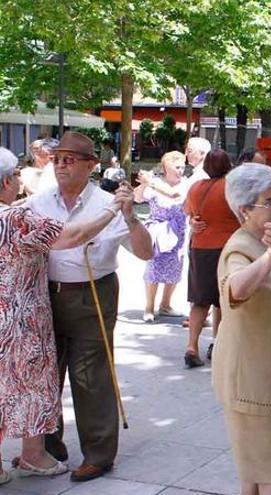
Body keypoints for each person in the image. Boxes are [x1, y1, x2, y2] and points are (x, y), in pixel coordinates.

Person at [0, 147, 137, 484]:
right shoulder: (18, 215)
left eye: (68, 160)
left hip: (30, 309)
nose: (21, 178)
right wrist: (112, 211)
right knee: (30, 383)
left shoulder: (17, 212)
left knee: (14, 386)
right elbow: (71, 236)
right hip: (24, 314)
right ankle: (37, 452)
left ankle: (59, 452)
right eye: (16, 174)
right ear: (5, 182)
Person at [27, 132, 153, 482]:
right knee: (45, 373)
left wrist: (131, 218)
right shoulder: (39, 201)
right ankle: (47, 445)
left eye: (70, 159)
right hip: (45, 292)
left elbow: (146, 253)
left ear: (90, 165)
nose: (61, 165)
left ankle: (98, 454)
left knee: (90, 375)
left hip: (92, 292)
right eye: (57, 159)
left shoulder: (106, 203)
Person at [214, 163, 271, 495]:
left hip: (265, 375)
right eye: (270, 201)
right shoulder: (241, 246)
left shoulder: (261, 239)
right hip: (254, 381)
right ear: (245, 209)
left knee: (255, 473)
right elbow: (236, 289)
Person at [182, 150, 238, 367]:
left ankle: (191, 346)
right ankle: (218, 345)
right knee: (222, 300)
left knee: (200, 300)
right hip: (227, 248)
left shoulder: (196, 188)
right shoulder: (231, 188)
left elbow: (187, 211)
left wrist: (193, 223)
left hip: (200, 247)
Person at [134, 151, 189, 322]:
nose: (180, 170)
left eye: (182, 167)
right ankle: (149, 306)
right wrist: (144, 184)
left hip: (178, 230)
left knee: (175, 267)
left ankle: (166, 304)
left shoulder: (186, 184)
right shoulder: (156, 183)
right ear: (166, 167)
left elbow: (175, 195)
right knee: (154, 267)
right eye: (176, 166)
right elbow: (137, 197)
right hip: (158, 230)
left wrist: (150, 183)